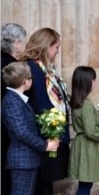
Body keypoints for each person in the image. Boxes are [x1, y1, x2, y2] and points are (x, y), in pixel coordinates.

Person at [21, 27, 70, 195]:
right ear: (46, 45)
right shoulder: (32, 67)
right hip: (43, 134)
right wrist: (51, 129)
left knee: (47, 183)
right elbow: (39, 102)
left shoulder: (46, 68)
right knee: (42, 185)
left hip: (51, 132)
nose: (57, 51)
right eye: (56, 47)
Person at [1, 61, 59, 195]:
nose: (31, 80)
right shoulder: (11, 101)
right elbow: (21, 132)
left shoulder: (17, 98)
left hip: (27, 159)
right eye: (30, 77)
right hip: (22, 160)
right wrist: (45, 145)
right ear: (24, 81)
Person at [68, 66, 99, 195]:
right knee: (86, 185)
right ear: (87, 83)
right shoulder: (86, 104)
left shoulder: (77, 102)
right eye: (93, 80)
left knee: (85, 183)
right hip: (87, 147)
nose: (95, 83)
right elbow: (91, 131)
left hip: (81, 144)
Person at [1, 23, 27, 195]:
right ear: (17, 43)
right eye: (24, 43)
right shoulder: (13, 68)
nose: (25, 47)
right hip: (9, 131)